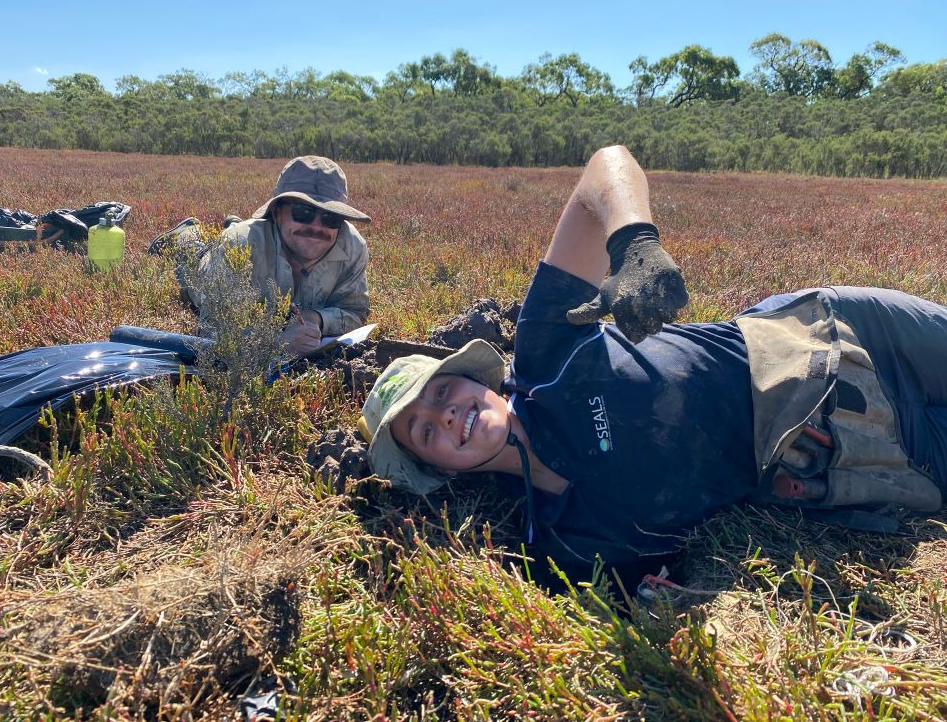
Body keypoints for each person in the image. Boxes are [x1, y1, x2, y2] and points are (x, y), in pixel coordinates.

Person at [357, 145, 947, 570]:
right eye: (423, 431)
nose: (447, 415)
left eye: (441, 392)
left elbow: (605, 166)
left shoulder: (546, 355)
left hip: (833, 335)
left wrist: (632, 242)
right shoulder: (565, 544)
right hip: (858, 453)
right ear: (435, 469)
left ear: (473, 379)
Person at [186, 155, 371, 356]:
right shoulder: (237, 246)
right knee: (191, 254)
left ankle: (235, 222)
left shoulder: (352, 247)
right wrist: (276, 344)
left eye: (330, 217)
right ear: (276, 213)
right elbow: (213, 326)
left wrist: (316, 318)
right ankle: (185, 233)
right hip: (207, 266)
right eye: (303, 212)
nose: (316, 227)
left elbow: (355, 310)